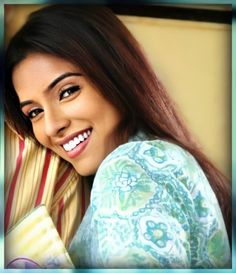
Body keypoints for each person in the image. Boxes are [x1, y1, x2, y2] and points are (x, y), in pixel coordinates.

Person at [4, 4, 231, 269]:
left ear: (114, 73)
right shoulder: (156, 161)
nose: (52, 126)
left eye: (67, 91)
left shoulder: (129, 169)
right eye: (35, 112)